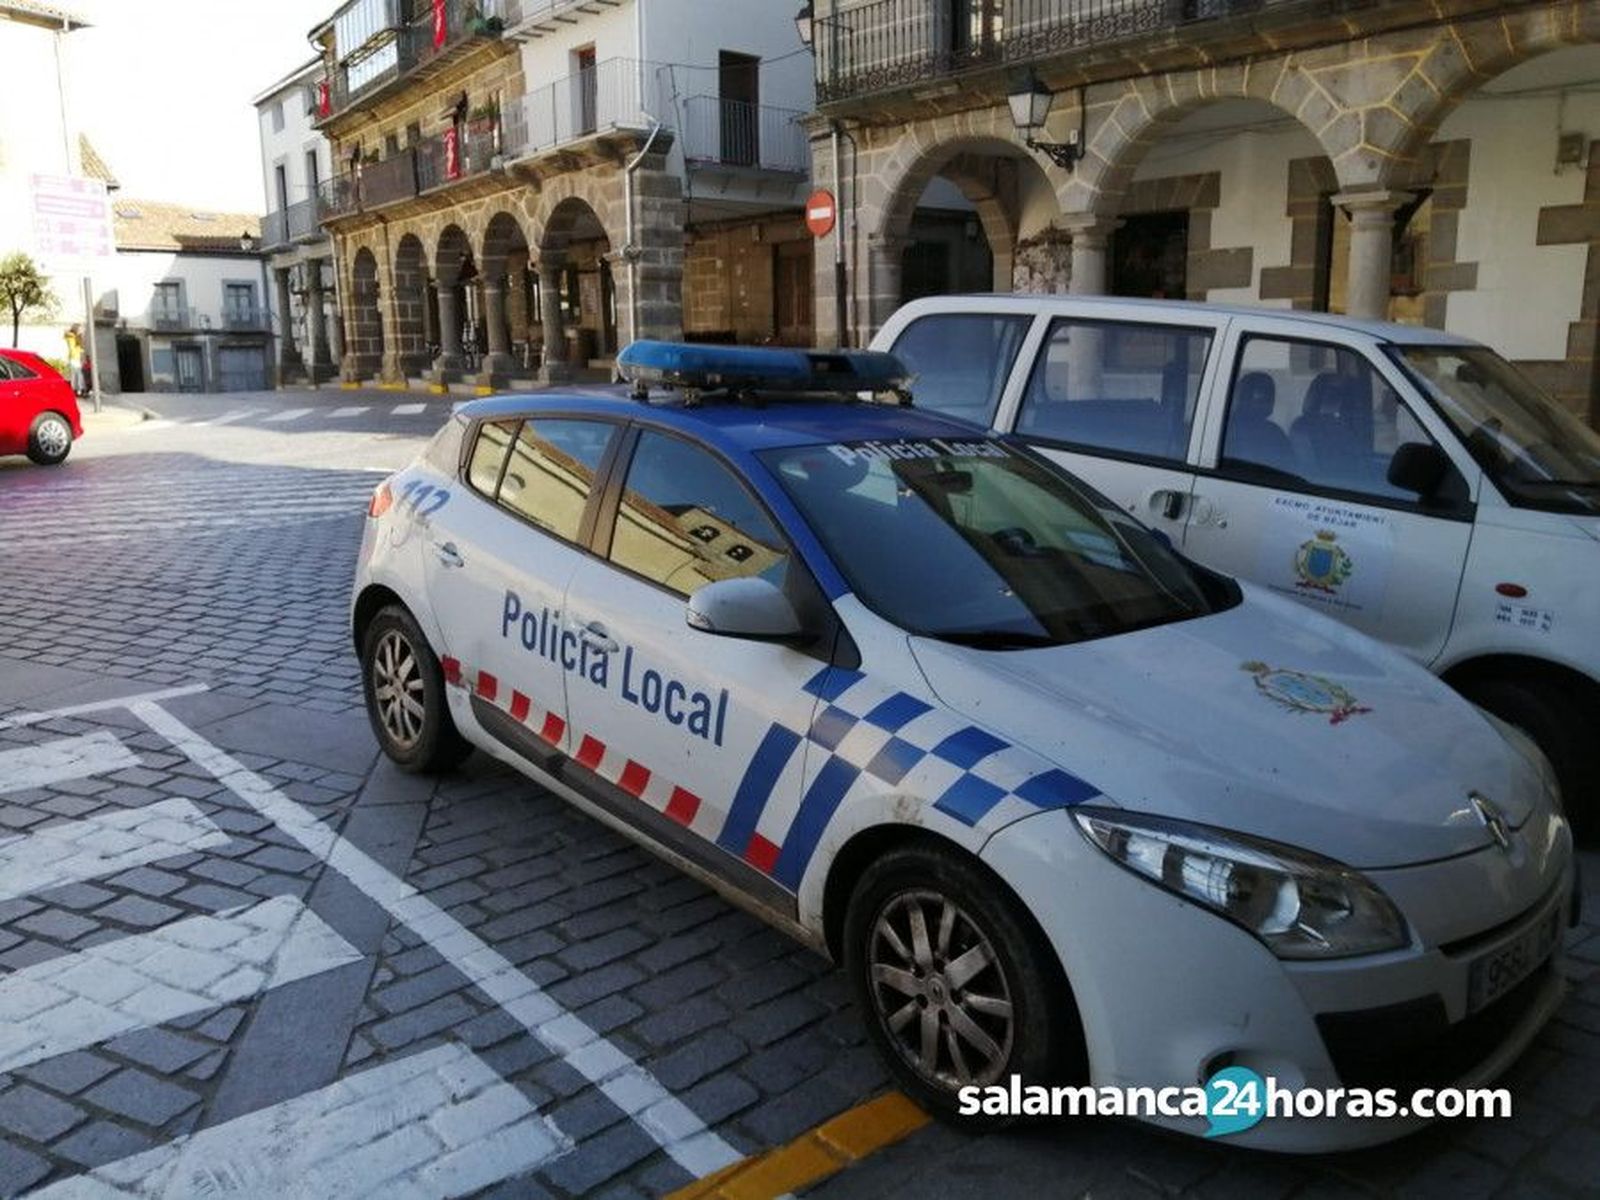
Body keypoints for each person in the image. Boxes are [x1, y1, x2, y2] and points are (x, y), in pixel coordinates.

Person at [64, 325, 84, 395]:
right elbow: (72, 349)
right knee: (76, 375)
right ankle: (76, 390)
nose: (81, 331)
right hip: (74, 358)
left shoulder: (75, 337)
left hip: (76, 358)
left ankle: (78, 390)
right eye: (80, 329)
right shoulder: (71, 337)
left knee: (77, 375)